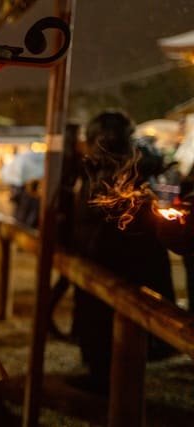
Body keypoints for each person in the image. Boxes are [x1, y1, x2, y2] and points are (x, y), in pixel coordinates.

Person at [70, 111, 175, 393]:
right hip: (126, 258)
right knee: (117, 326)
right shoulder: (142, 166)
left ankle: (107, 384)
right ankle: (111, 380)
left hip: (106, 259)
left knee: (104, 323)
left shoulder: (108, 171)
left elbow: (97, 216)